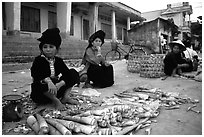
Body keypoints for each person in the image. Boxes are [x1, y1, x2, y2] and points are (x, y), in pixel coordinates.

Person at [30, 28, 80, 110]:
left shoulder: (59, 61)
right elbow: (35, 74)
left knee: (73, 73)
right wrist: (48, 81)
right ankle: (56, 101)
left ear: (57, 49)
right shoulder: (38, 60)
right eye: (45, 47)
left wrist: (60, 84)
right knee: (37, 84)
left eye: (51, 47)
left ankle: (65, 97)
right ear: (41, 49)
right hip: (42, 94)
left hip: (56, 89)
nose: (48, 49)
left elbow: (67, 74)